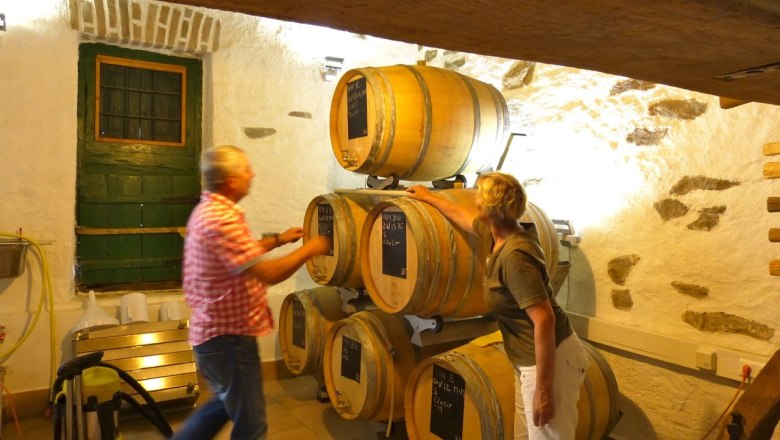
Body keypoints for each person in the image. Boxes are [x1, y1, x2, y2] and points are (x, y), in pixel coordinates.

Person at [407, 172, 588, 440]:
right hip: (530, 362)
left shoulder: (515, 256)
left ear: (488, 208)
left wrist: (544, 388)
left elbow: (544, 320)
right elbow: (464, 218)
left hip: (551, 362)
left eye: (478, 195)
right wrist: (429, 197)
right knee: (525, 435)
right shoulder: (502, 232)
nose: (474, 199)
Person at [173, 145, 330, 440]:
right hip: (228, 340)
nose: (252, 173)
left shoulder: (209, 210)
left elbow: (239, 259)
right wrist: (312, 248)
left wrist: (279, 240)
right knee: (252, 427)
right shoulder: (222, 219)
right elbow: (267, 273)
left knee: (222, 405)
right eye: (246, 169)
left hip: (216, 337)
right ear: (231, 181)